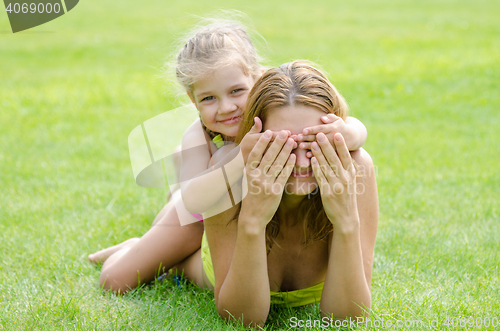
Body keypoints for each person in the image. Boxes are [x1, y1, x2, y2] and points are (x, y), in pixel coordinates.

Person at [88, 19, 369, 295]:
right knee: (116, 279)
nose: (226, 107)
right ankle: (133, 248)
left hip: (238, 217)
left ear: (258, 78)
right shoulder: (198, 134)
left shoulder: (274, 107)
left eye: (236, 91)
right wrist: (240, 159)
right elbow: (193, 201)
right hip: (198, 213)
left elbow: (354, 125)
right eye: (208, 98)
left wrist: (348, 133)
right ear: (192, 99)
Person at [175, 60, 379, 327]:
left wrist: (346, 221)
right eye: (282, 145)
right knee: (149, 264)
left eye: (315, 143)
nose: (303, 163)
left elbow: (347, 318)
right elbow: (244, 320)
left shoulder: (355, 169)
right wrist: (252, 222)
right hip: (209, 264)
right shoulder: (229, 178)